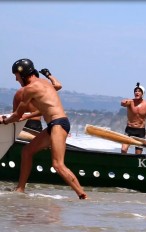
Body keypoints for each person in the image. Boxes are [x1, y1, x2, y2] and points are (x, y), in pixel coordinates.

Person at [0, 58, 87, 199]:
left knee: (58, 165)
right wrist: (26, 116)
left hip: (58, 124)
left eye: (16, 76)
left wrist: (4, 120)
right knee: (27, 151)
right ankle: (20, 189)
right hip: (56, 123)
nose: (16, 80)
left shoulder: (29, 89)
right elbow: (45, 110)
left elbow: (16, 115)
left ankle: (83, 196)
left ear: (22, 74)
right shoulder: (44, 84)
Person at [13, 68, 62, 133]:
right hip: (36, 124)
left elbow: (15, 114)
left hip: (23, 123)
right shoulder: (40, 90)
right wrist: (48, 75)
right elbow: (58, 85)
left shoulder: (20, 92)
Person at [120, 82, 146, 154]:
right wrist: (123, 102)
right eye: (135, 91)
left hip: (140, 131)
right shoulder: (130, 102)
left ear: (142, 93)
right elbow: (123, 103)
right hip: (129, 130)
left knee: (138, 154)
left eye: (139, 91)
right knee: (123, 150)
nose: (137, 92)